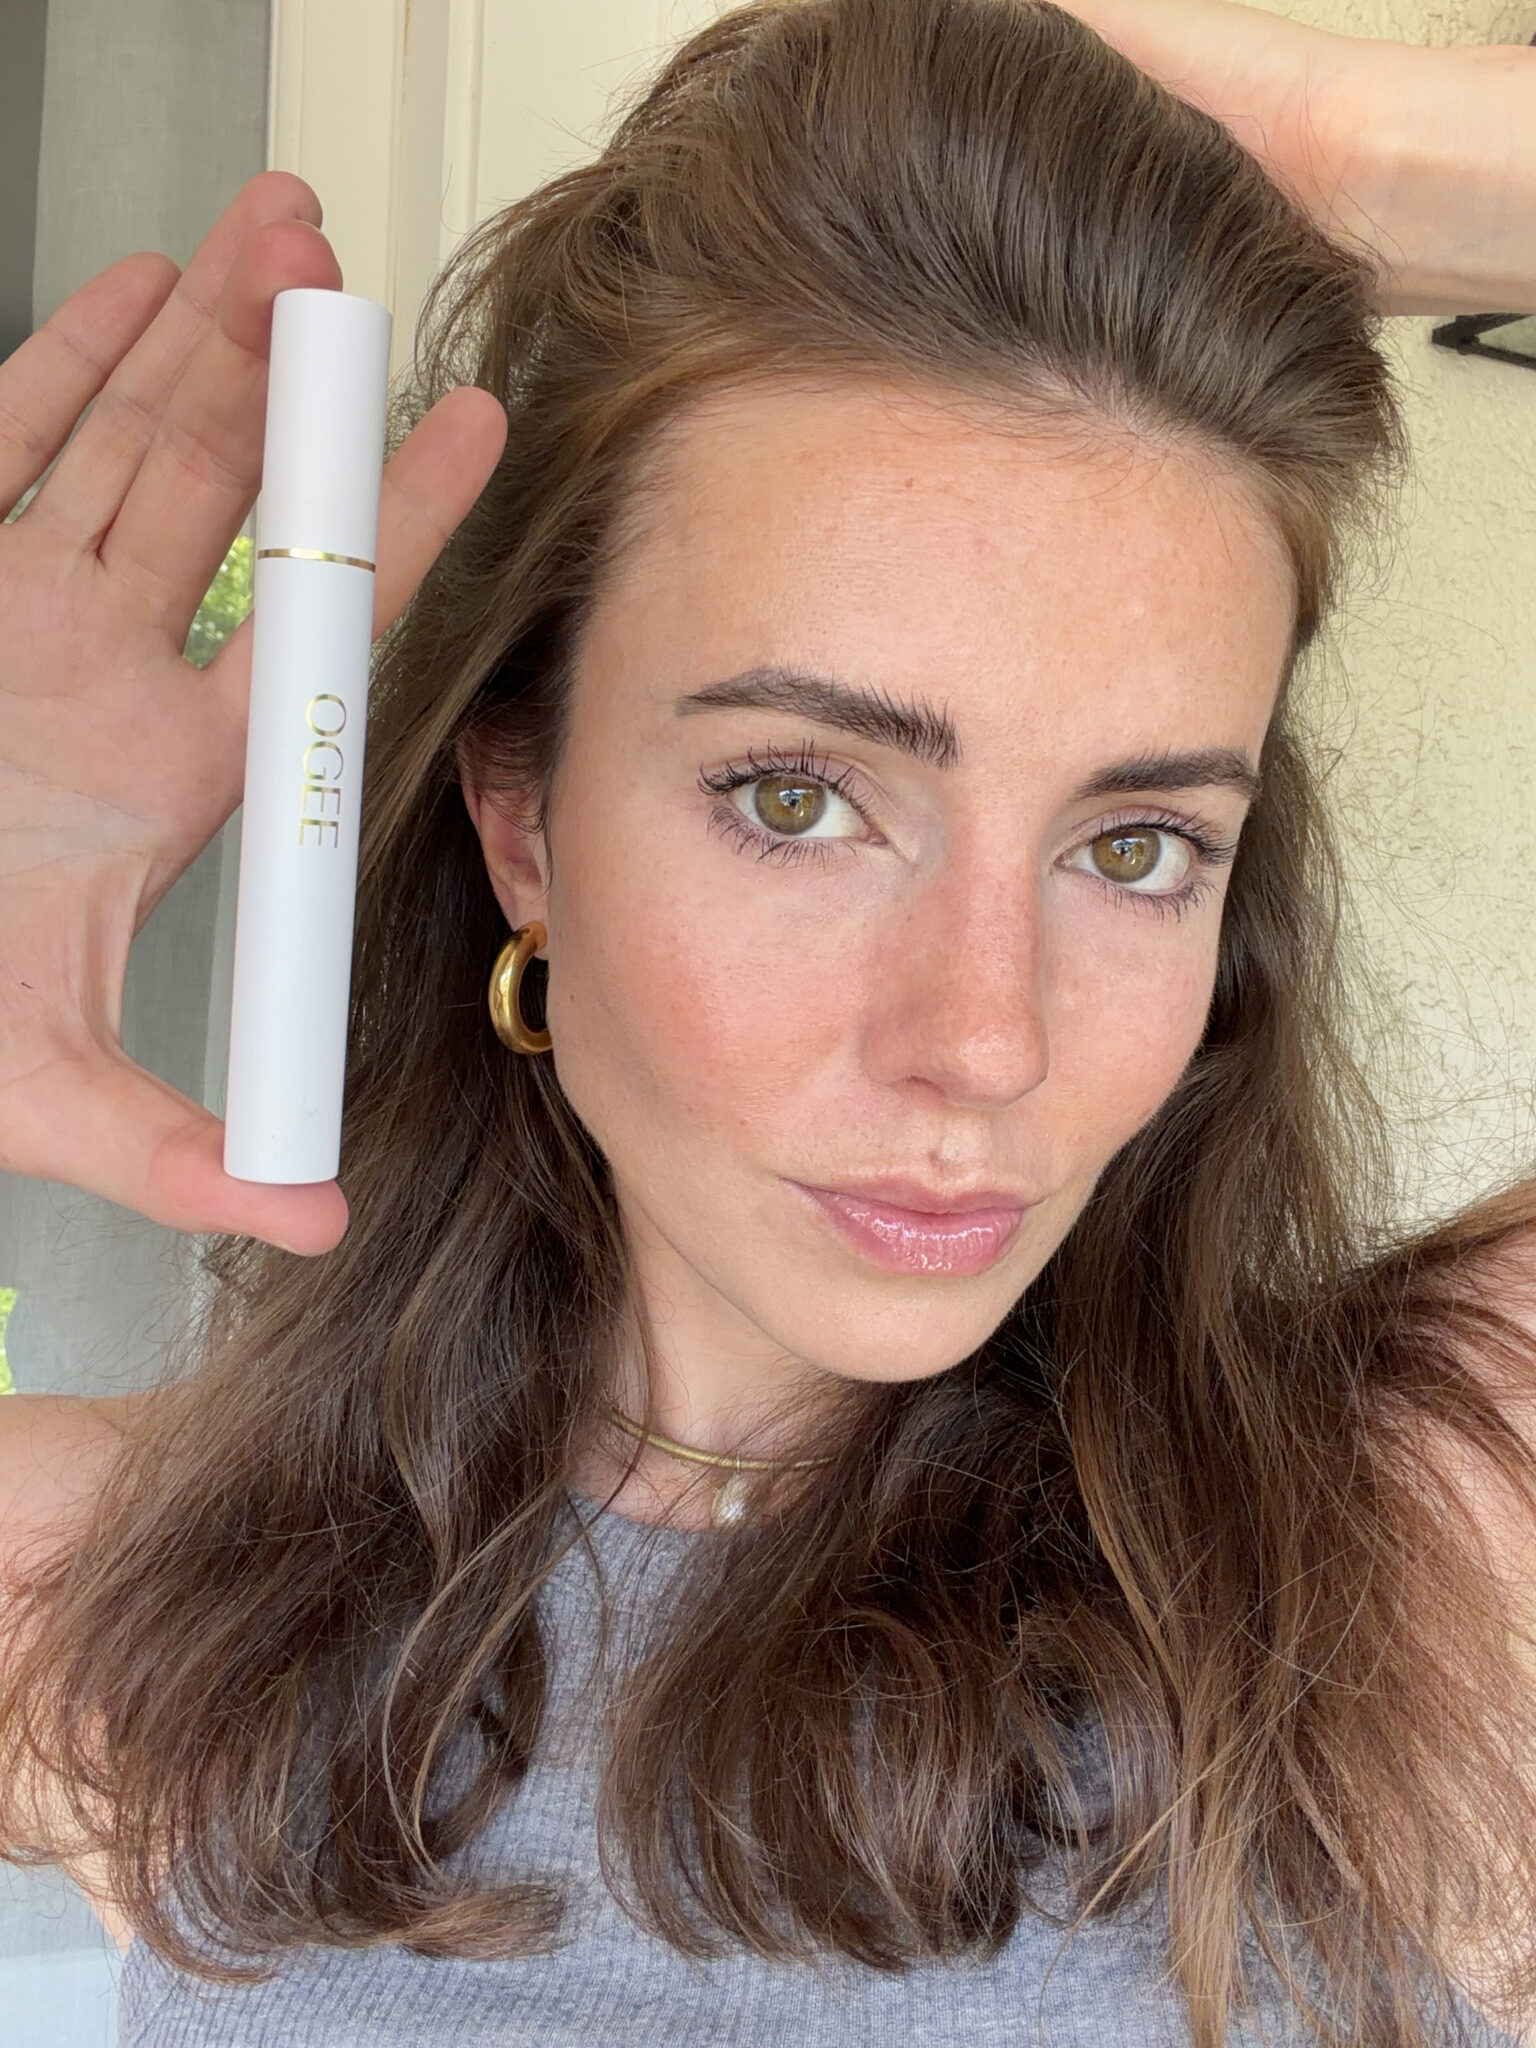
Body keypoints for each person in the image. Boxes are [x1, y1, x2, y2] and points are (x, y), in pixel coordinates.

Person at [1, 0, 1534, 2042]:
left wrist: (1363, 158)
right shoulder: (146, 1587)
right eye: (799, 798)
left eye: (1140, 843)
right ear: (523, 819)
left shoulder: (1412, 1551)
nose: (985, 1040)